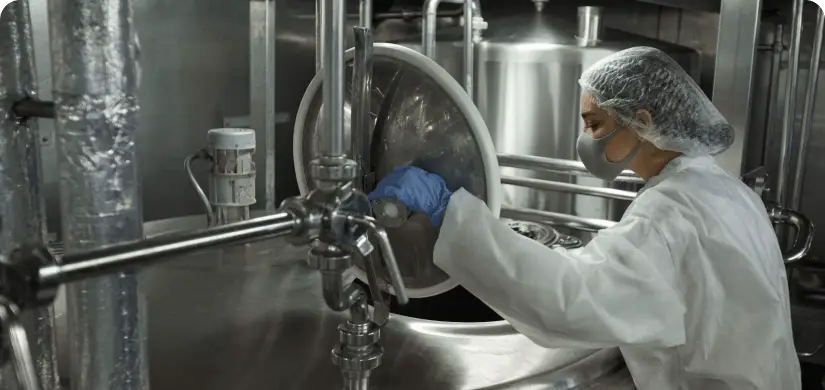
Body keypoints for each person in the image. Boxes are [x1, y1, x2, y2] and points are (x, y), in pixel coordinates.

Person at [368, 47, 801, 389]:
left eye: (594, 124)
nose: (585, 139)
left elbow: (568, 301)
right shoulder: (724, 189)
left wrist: (450, 212)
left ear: (641, 120)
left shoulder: (670, 215)